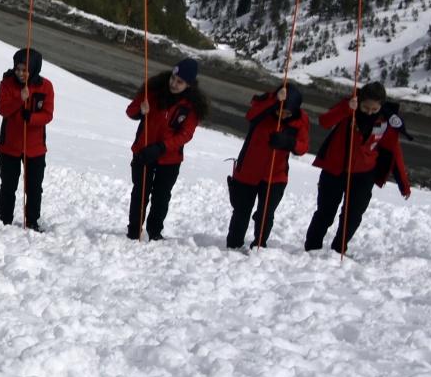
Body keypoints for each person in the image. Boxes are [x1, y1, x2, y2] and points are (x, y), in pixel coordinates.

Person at [304, 82, 412, 254]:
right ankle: (312, 247)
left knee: (352, 216)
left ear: (381, 106)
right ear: (359, 101)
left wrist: (403, 185)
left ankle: (339, 249)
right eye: (366, 107)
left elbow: (394, 152)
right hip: (335, 171)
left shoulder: (386, 120)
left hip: (364, 175)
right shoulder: (348, 108)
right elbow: (324, 121)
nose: (369, 111)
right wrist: (347, 109)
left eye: (374, 109)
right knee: (325, 213)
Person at [126, 58, 208, 240]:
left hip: (169, 159)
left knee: (161, 197)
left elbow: (185, 135)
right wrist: (140, 110)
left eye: (180, 81)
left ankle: (154, 231)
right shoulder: (153, 92)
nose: (174, 83)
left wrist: (161, 147)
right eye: (173, 78)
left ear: (189, 84)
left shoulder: (192, 107)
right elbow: (130, 111)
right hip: (143, 152)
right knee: (140, 193)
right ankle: (133, 230)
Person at [226, 83, 310, 249]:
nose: (283, 115)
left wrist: (290, 142)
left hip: (275, 175)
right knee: (241, 211)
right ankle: (233, 244)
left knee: (266, 214)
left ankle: (259, 244)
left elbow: (303, 148)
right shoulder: (265, 106)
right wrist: (273, 102)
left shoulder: (300, 120)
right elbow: (251, 116)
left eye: (287, 113)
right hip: (248, 170)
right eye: (280, 111)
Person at [0, 48, 53, 230]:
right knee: (8, 186)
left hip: (35, 148)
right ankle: (5, 220)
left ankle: (32, 221)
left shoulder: (46, 87)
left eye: (24, 70)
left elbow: (48, 115)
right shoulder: (7, 84)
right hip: (10, 146)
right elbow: (3, 109)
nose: (20, 73)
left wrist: (32, 118)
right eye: (18, 69)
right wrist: (20, 99)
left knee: (34, 189)